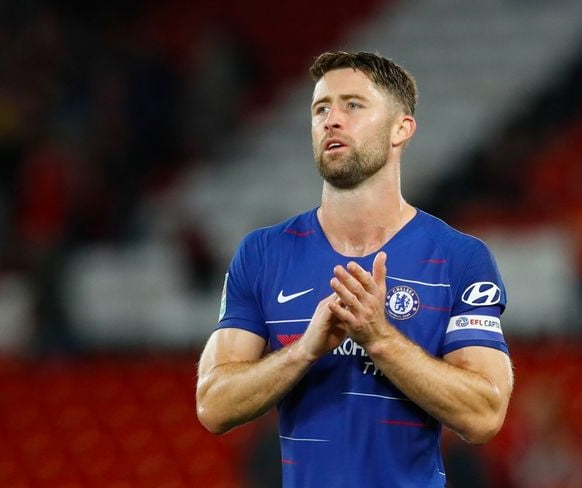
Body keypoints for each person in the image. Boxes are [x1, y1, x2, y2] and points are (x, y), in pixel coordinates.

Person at [195, 51, 514, 487]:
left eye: (353, 105)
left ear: (401, 129)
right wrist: (304, 351)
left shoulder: (459, 258)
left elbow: (485, 415)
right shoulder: (264, 253)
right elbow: (213, 405)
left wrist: (378, 337)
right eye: (321, 108)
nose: (331, 120)